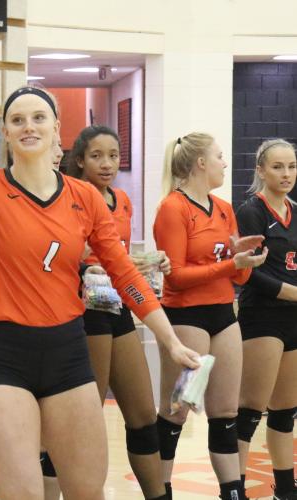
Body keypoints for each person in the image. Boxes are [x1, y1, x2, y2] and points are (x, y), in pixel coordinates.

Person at [0, 13, 199, 500]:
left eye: (38, 117)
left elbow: (122, 271)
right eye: (17, 120)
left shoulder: (84, 198)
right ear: (4, 132)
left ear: (56, 128)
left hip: (67, 351)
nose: (28, 126)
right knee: (22, 492)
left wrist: (168, 340)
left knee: (87, 491)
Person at [153, 133, 268, 500]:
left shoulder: (222, 207)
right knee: (177, 412)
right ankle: (161, 489)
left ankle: (232, 492)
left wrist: (244, 261)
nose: (224, 162)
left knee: (225, 412)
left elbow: (236, 275)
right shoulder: (173, 208)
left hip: (223, 314)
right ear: (200, 162)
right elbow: (177, 276)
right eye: (219, 156)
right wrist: (228, 264)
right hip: (187, 318)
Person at [62, 125, 171, 499]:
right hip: (85, 306)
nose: (107, 164)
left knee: (143, 417)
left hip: (115, 302)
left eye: (113, 155)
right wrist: (87, 270)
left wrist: (149, 262)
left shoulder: (122, 200)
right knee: (87, 419)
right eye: (96, 156)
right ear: (79, 160)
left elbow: (117, 257)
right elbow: (67, 256)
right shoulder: (71, 196)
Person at [235, 139, 297, 500]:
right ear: (260, 170)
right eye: (277, 167)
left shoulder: (296, 210)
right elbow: (246, 273)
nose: (286, 174)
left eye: (291, 166)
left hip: (293, 318)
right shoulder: (251, 211)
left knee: (285, 410)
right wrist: (289, 293)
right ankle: (234, 487)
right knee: (250, 409)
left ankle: (285, 490)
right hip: (262, 317)